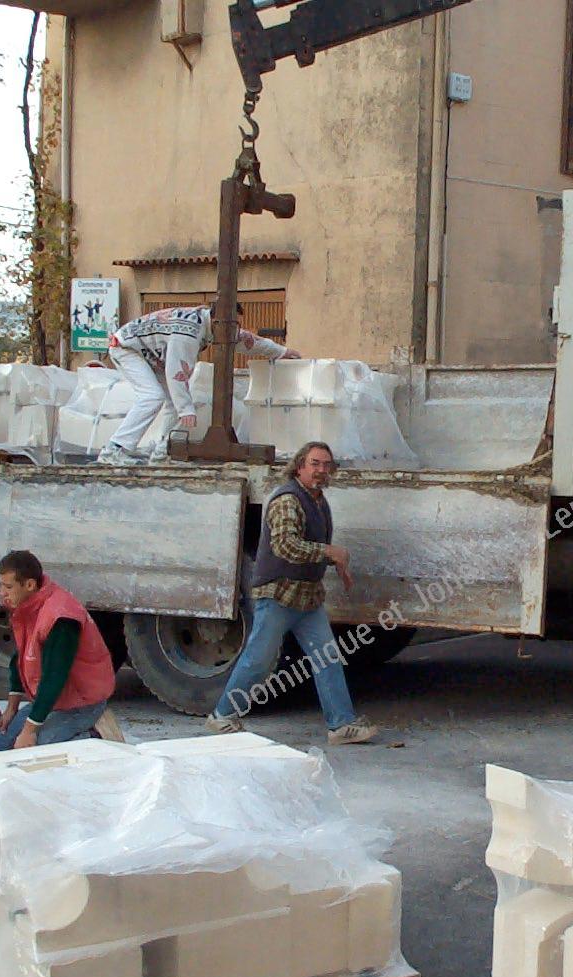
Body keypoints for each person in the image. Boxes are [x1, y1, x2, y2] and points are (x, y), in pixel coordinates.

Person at [207, 441, 377, 745]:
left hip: (307, 598)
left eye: (327, 465)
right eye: (315, 463)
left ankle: (341, 724)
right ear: (299, 465)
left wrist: (334, 560)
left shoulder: (318, 501)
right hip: (279, 595)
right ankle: (222, 716)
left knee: (328, 659)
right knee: (258, 660)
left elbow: (309, 548)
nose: (322, 470)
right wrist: (328, 552)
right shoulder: (288, 500)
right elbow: (286, 546)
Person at [97, 304, 301, 465]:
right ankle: (114, 450)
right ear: (216, 319)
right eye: (231, 325)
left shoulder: (211, 323)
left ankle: (163, 451)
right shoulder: (189, 332)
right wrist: (186, 410)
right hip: (127, 348)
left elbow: (246, 340)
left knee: (171, 402)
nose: (234, 330)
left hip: (148, 353)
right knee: (153, 397)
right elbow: (176, 370)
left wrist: (281, 352)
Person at [0, 549, 117, 751]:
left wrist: (30, 730)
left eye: (8, 586)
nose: (2, 593)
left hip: (81, 703)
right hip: (55, 700)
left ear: (30, 585)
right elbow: (19, 657)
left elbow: (54, 678)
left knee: (31, 751)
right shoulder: (27, 604)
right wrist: (11, 710)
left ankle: (92, 740)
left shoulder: (61, 618)